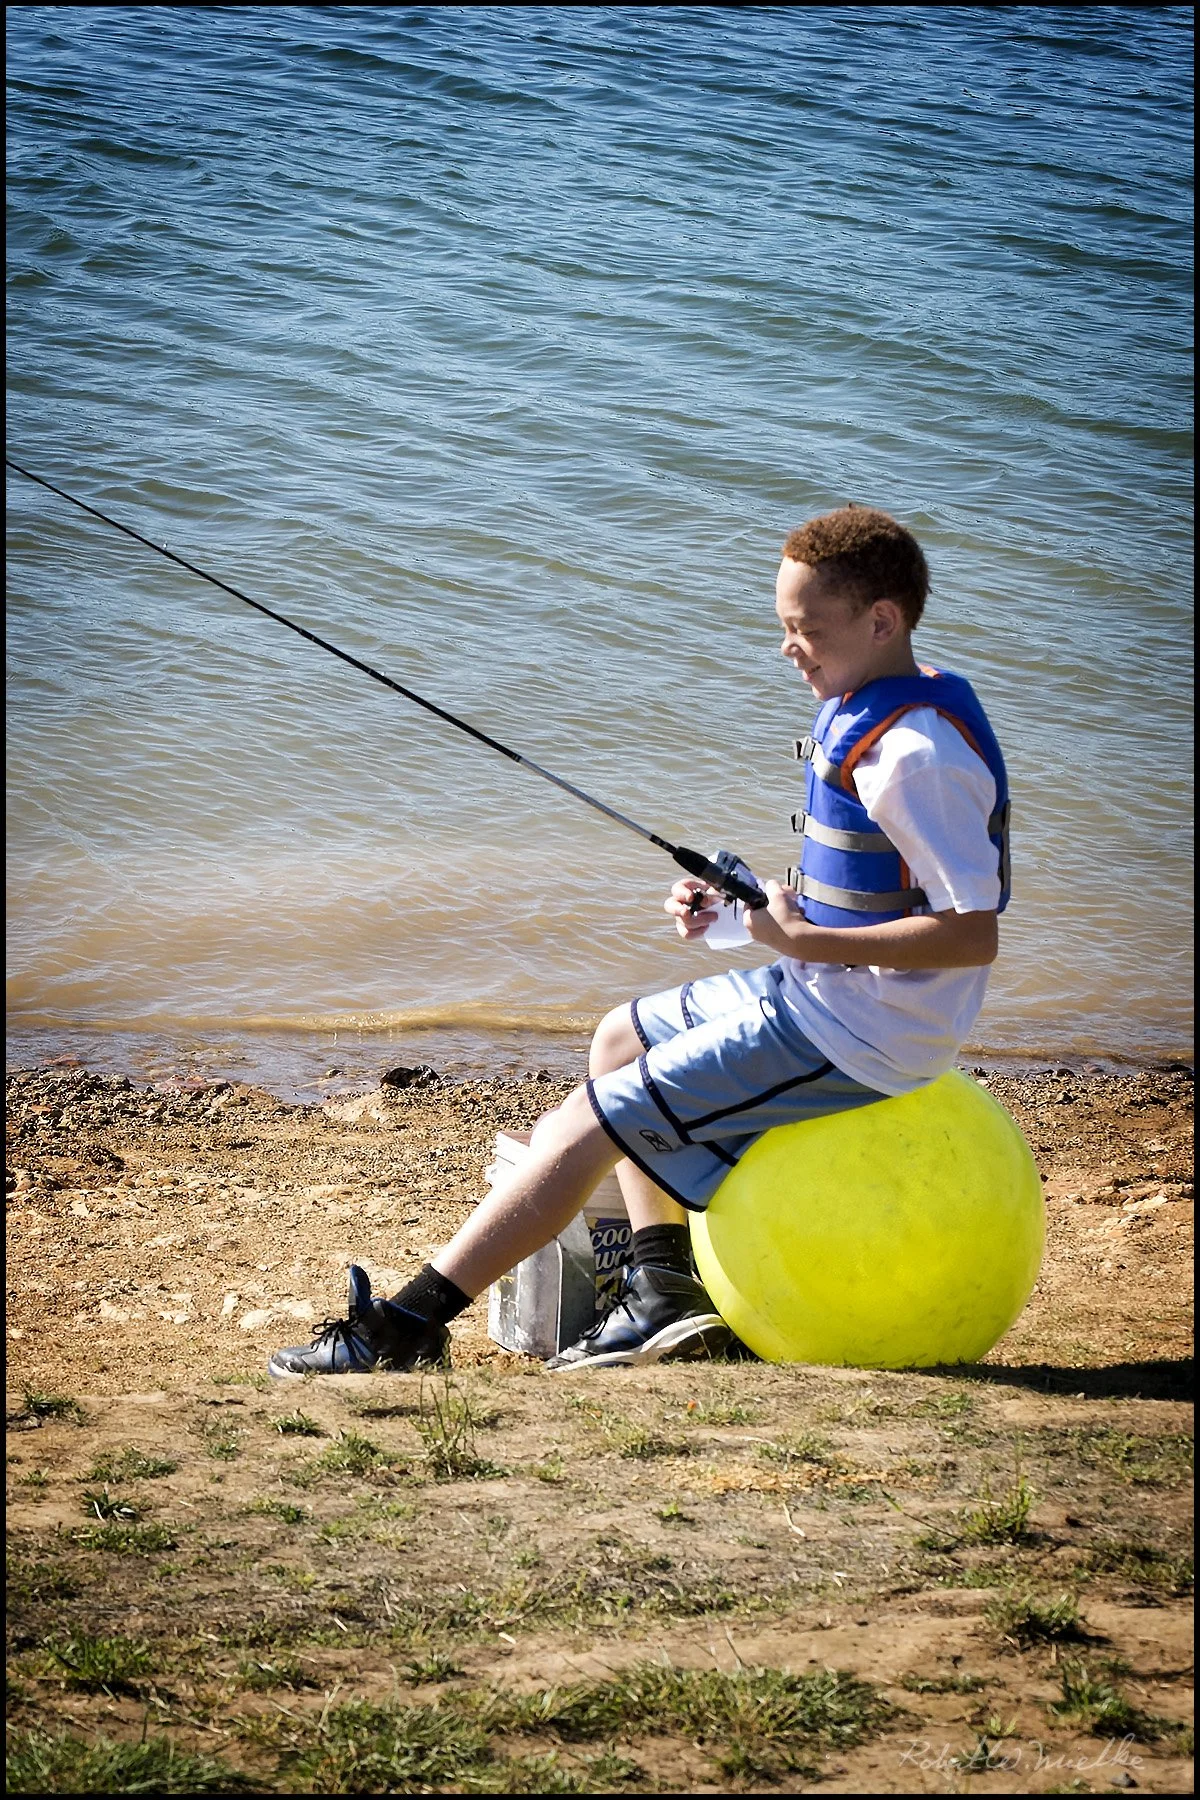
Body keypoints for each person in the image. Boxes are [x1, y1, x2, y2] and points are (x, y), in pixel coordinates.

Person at [268, 505, 1010, 1380]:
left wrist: (798, 940)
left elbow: (971, 936)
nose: (788, 648)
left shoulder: (916, 752)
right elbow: (855, 894)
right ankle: (664, 1288)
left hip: (867, 1032)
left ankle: (405, 1326)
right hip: (823, 991)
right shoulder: (866, 706)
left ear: (881, 620)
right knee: (616, 1039)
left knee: (591, 1124)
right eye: (783, 627)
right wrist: (738, 918)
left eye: (805, 629)